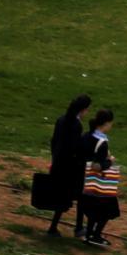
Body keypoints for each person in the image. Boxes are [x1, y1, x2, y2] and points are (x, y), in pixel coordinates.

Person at [42, 94, 93, 238]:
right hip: (70, 166)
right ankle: (78, 227)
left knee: (62, 197)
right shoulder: (76, 125)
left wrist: (54, 159)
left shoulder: (61, 120)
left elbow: (54, 142)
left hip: (58, 163)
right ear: (82, 110)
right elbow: (74, 148)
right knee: (80, 195)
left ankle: (54, 227)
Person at [77, 109, 120, 245]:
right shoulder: (102, 142)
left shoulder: (86, 136)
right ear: (106, 123)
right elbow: (96, 166)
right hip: (97, 181)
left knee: (92, 210)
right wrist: (110, 161)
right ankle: (96, 234)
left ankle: (89, 233)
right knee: (107, 209)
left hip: (82, 178)